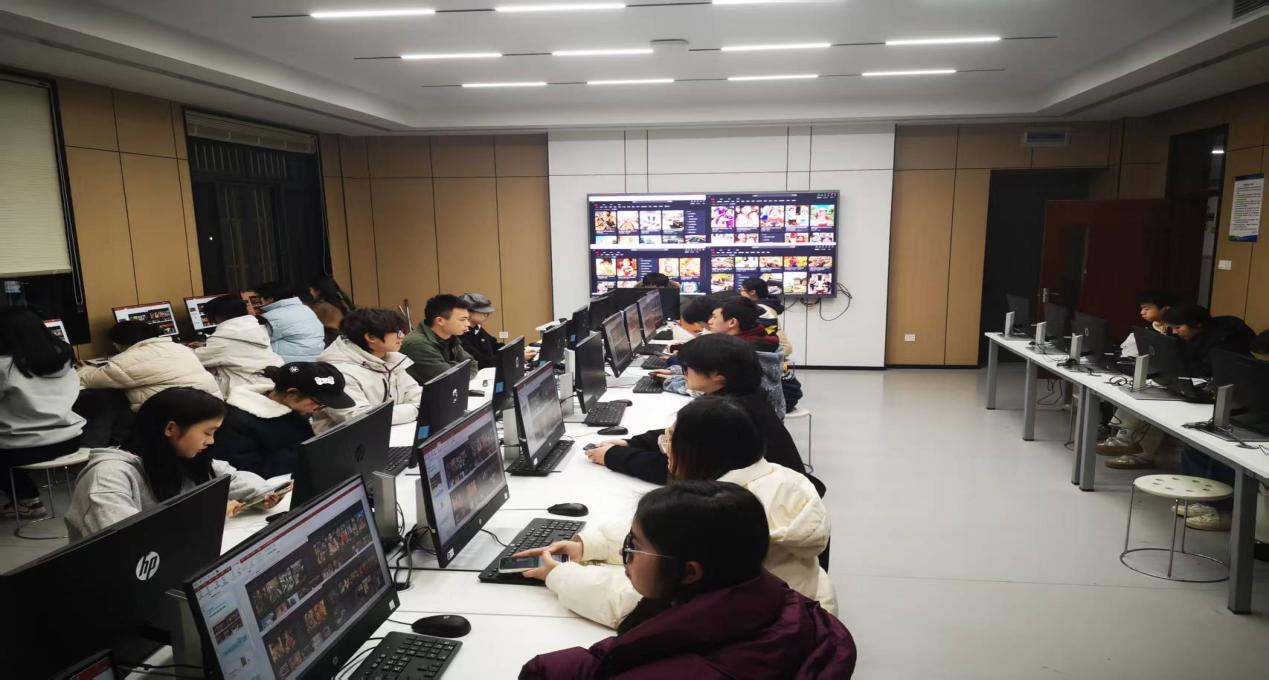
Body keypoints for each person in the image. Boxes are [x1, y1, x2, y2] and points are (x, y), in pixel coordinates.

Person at [521, 397, 837, 629]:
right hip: (801, 616)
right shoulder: (775, 480)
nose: (666, 449)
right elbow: (667, 530)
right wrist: (590, 546)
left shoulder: (715, 515)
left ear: (698, 453)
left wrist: (560, 576)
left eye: (671, 441)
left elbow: (642, 605)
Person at [520, 480, 856, 679]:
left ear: (690, 572)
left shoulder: (696, 667)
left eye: (634, 546)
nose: (625, 554)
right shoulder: (773, 600)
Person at [65, 387, 284, 540]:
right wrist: (209, 514)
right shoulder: (108, 475)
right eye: (207, 432)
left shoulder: (183, 457)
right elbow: (130, 540)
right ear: (171, 429)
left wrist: (264, 494)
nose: (211, 441)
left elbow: (232, 477)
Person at [589, 334, 803, 483]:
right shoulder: (746, 395)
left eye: (687, 368)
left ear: (718, 375)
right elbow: (688, 437)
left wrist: (612, 456)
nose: (684, 373)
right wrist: (632, 442)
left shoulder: (724, 414)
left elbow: (680, 471)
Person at [1176, 332, 1269, 532]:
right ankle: (1205, 499)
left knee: (1229, 457)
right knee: (1197, 443)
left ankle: (1224, 511)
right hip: (1255, 421)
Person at [0, 307, 85, 519]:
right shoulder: (63, 357)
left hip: (27, 446)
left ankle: (28, 500)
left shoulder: (4, 366)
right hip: (70, 438)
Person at [203, 363, 354, 477]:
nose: (318, 409)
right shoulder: (237, 421)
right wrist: (308, 453)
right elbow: (245, 473)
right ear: (292, 393)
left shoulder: (294, 410)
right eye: (317, 403)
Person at [1097, 290, 1178, 469]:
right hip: (1158, 376)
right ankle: (1125, 439)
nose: (1142, 312)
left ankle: (1139, 451)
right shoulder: (1149, 331)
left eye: (1147, 308)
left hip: (1176, 380)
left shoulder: (1176, 332)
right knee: (1137, 390)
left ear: (1165, 309)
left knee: (1149, 398)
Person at [313, 308, 423, 431]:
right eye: (397, 332)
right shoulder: (335, 372)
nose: (402, 336)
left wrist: (418, 407)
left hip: (390, 431)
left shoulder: (390, 359)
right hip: (348, 439)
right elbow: (361, 419)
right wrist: (416, 409)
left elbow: (417, 395)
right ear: (371, 337)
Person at [78, 320, 221, 411]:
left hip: (178, 417)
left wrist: (84, 368)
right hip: (212, 407)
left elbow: (90, 380)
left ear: (118, 344)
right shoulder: (179, 347)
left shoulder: (129, 360)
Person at [192, 295, 283, 397]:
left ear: (216, 316)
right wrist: (208, 345)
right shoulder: (257, 328)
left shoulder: (222, 341)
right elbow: (237, 348)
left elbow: (193, 358)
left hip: (248, 392)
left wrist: (183, 348)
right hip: (273, 384)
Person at [400, 294, 479, 384]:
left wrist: (453, 366)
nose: (468, 324)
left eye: (467, 319)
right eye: (462, 319)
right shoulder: (417, 344)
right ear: (440, 321)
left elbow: (472, 364)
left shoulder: (449, 336)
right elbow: (448, 378)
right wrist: (458, 366)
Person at [1163, 303, 1254, 378]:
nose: (1174, 332)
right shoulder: (1194, 336)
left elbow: (1206, 372)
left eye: (1178, 327)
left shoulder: (1222, 342)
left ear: (1197, 324)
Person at [255, 281, 325, 363]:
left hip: (289, 364)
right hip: (313, 359)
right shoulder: (305, 308)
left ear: (270, 299)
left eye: (260, 298)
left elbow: (256, 339)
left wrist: (251, 317)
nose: (258, 302)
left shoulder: (273, 316)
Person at [707, 296, 780, 352]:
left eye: (714, 317)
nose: (709, 322)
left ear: (732, 322)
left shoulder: (733, 352)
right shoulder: (764, 339)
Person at [458, 293, 503, 369]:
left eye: (487, 312)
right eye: (482, 312)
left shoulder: (477, 328)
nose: (487, 315)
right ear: (467, 312)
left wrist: (513, 352)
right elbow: (481, 361)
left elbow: (494, 345)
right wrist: (509, 357)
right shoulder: (459, 334)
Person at [308, 275, 354, 346]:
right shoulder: (342, 302)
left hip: (331, 340)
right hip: (346, 337)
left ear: (318, 291)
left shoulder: (321, 306)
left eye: (311, 289)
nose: (311, 292)